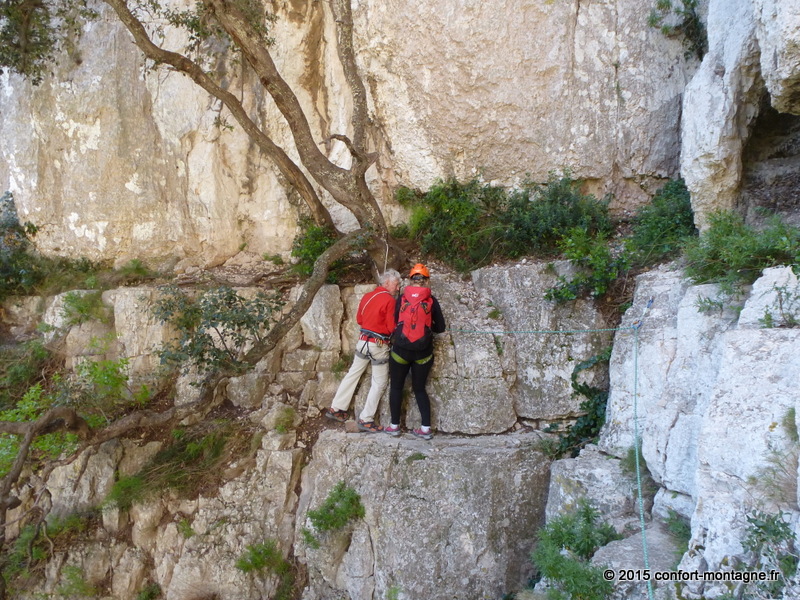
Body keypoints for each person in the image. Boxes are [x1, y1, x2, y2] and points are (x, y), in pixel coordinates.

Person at [325, 269, 401, 432]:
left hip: (362, 341)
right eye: (396, 284)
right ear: (387, 283)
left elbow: (359, 319)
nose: (398, 288)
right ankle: (366, 419)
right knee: (379, 382)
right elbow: (390, 327)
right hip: (378, 345)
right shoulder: (389, 300)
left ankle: (337, 408)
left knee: (353, 373)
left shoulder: (367, 296)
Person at [385, 263, 446, 440]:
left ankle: (394, 426)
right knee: (419, 389)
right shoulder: (432, 300)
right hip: (423, 354)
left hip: (400, 351)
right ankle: (425, 429)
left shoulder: (402, 298)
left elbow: (396, 321)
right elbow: (440, 328)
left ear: (410, 279)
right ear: (426, 280)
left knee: (396, 387)